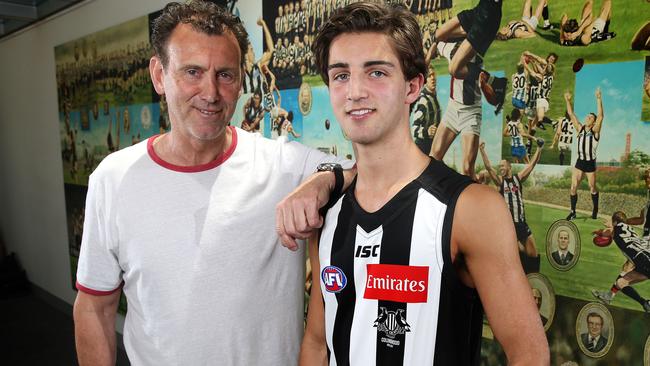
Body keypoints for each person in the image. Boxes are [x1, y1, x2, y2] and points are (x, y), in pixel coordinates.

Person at [73, 2, 353, 365]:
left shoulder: (283, 164)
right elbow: (95, 307)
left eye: (225, 74)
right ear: (159, 75)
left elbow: (371, 172)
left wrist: (325, 179)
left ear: (240, 81)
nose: (210, 93)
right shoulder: (113, 179)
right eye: (192, 72)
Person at [300, 3, 549, 365]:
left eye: (376, 73)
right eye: (340, 75)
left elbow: (530, 355)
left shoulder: (471, 209)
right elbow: (317, 342)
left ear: (412, 86)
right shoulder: (326, 213)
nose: (354, 91)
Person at [479, 138, 544, 273]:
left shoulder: (517, 178)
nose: (501, 168)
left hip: (522, 224)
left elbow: (531, 165)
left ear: (509, 166)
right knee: (514, 256)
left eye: (503, 166)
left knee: (533, 254)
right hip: (509, 226)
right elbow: (489, 167)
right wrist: (482, 150)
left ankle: (534, 283)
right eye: (500, 166)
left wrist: (539, 148)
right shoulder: (500, 182)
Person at [428, 0, 507, 111]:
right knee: (438, 34)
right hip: (480, 10)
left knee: (454, 69)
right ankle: (464, 47)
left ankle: (495, 82)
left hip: (486, 20)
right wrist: (426, 60)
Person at [591, 210, 650, 313]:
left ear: (615, 222)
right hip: (643, 260)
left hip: (643, 261)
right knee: (620, 283)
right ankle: (645, 303)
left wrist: (598, 232)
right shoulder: (630, 228)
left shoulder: (616, 228)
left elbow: (607, 232)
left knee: (623, 276)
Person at [565, 89, 603, 220]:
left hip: (590, 163)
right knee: (573, 186)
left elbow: (601, 116)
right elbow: (571, 114)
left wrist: (598, 98)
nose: (587, 118)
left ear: (594, 121)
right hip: (580, 161)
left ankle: (595, 208)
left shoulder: (595, 131)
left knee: (592, 188)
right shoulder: (580, 128)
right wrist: (567, 100)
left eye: (591, 117)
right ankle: (573, 211)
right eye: (587, 116)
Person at [411, 65, 441, 155]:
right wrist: (427, 131)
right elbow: (414, 129)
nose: (432, 78)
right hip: (422, 149)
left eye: (433, 75)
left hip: (432, 147)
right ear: (424, 80)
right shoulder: (423, 101)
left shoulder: (433, 97)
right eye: (429, 76)